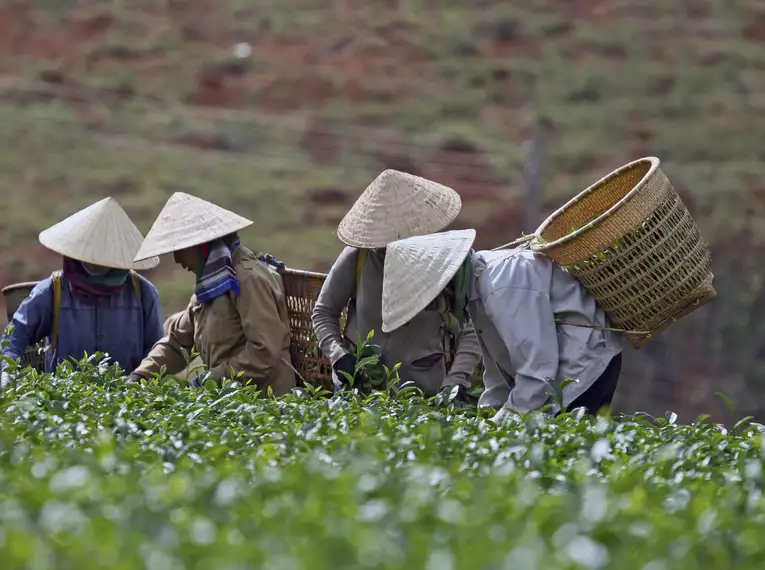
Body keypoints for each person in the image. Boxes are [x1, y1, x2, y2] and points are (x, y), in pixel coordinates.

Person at [379, 229, 627, 421]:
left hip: (584, 366)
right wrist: (487, 412)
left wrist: (498, 427)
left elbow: (537, 373)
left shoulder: (503, 285)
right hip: (559, 370)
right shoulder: (479, 287)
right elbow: (498, 367)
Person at [312, 169, 482, 399]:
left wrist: (457, 378)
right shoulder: (359, 257)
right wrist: (339, 355)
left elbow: (473, 327)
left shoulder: (447, 263)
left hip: (424, 393)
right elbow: (323, 312)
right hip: (360, 391)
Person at [128, 192, 296, 396]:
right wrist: (141, 375)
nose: (177, 260)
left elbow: (264, 352)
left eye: (180, 250)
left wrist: (208, 380)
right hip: (230, 400)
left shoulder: (248, 279)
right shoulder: (211, 284)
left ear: (200, 246)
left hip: (267, 403)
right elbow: (177, 342)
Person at [1, 197, 164, 376]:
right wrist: (7, 372)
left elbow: (157, 354)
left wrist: (139, 381)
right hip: (63, 399)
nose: (96, 261)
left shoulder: (143, 293)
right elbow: (14, 338)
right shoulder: (52, 291)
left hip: (128, 398)